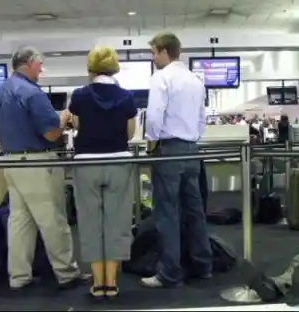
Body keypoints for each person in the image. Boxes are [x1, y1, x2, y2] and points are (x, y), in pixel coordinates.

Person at [0, 46, 84, 291]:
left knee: (20, 222)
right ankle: (66, 272)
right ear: (30, 62)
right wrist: (63, 118)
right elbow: (51, 133)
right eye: (40, 64)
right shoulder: (32, 93)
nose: (42, 69)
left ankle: (19, 276)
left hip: (11, 161)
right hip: (37, 163)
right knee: (53, 219)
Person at [141, 32, 212, 288]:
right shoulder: (195, 80)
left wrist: (151, 140)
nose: (152, 58)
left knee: (167, 212)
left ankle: (169, 272)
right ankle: (203, 265)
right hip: (192, 149)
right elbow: (202, 118)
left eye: (153, 53)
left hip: (169, 150)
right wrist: (192, 138)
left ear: (163, 51)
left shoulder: (161, 77)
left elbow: (154, 115)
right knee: (195, 210)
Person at [68, 45, 136, 298]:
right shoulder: (127, 96)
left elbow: (76, 125)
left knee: (90, 222)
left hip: (86, 163)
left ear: (91, 67)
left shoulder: (79, 95)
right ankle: (112, 281)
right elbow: (130, 133)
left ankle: (98, 283)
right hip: (119, 161)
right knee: (117, 222)